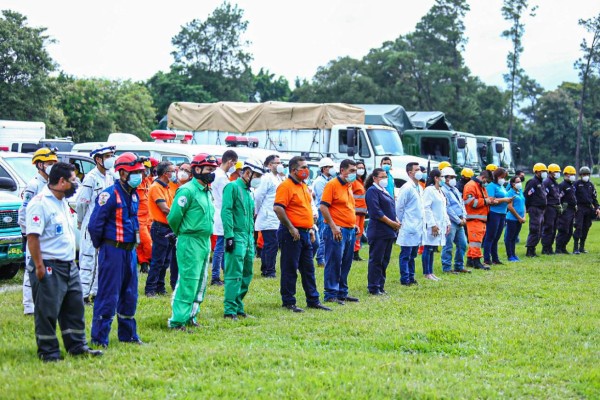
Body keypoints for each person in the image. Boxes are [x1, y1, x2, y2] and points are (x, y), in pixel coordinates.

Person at [25, 162, 102, 361]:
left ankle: (77, 347)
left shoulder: (62, 202)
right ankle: (49, 352)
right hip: (49, 265)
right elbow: (32, 237)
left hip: (69, 265)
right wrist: (39, 266)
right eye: (73, 180)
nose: (76, 184)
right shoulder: (40, 203)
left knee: (74, 308)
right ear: (61, 182)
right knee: (47, 311)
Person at [88, 152, 144, 347]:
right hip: (113, 251)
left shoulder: (134, 194)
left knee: (130, 293)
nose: (139, 176)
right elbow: (95, 225)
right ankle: (99, 338)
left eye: (140, 172)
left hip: (130, 252)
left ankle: (128, 335)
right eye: (134, 172)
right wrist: (102, 246)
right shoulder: (109, 194)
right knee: (108, 294)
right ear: (122, 174)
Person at [274, 156, 331, 312]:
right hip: (292, 233)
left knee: (308, 269)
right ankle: (288, 301)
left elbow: (306, 209)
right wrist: (291, 228)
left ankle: (313, 300)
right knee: (290, 268)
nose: (307, 170)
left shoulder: (303, 186)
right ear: (293, 170)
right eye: (303, 167)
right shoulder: (285, 186)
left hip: (306, 232)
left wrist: (311, 228)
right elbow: (278, 208)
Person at [167, 154, 217, 331]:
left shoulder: (206, 190)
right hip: (190, 240)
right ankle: (178, 320)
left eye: (213, 170)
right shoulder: (187, 190)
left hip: (204, 241)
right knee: (188, 280)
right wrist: (181, 233)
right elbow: (174, 217)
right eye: (209, 169)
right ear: (197, 170)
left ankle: (191, 315)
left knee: (201, 281)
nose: (212, 173)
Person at [221, 159, 264, 320]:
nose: (258, 179)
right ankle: (229, 309)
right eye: (257, 175)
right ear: (247, 173)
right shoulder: (232, 187)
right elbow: (226, 211)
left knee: (247, 272)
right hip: (237, 235)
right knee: (234, 273)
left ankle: (238, 305)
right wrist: (229, 235)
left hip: (247, 237)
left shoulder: (248, 191)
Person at [18, 147, 58, 315]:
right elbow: (23, 212)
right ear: (40, 165)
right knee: (31, 270)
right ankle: (29, 306)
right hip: (33, 234)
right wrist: (28, 234)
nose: (52, 166)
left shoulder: (49, 184)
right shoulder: (34, 185)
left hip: (46, 235)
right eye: (49, 163)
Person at [77, 145, 116, 303]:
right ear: (98, 159)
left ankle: (96, 292)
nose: (110, 158)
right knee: (88, 261)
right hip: (91, 224)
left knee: (102, 261)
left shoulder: (110, 176)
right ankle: (83, 295)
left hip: (105, 224)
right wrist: (80, 221)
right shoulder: (91, 178)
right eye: (107, 156)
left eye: (111, 155)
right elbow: (82, 203)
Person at [320, 159, 360, 305]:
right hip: (337, 230)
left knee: (346, 262)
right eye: (351, 171)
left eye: (355, 171)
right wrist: (333, 226)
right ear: (342, 170)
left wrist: (354, 224)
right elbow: (323, 207)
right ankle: (330, 293)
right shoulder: (332, 185)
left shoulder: (349, 185)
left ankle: (342, 292)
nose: (354, 174)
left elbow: (347, 208)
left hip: (349, 229)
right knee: (334, 262)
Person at [364, 168, 399, 294]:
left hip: (388, 231)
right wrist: (391, 223)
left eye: (386, 177)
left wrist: (396, 220)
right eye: (382, 177)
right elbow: (376, 212)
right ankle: (373, 287)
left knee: (385, 260)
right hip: (379, 231)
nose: (385, 179)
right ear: (374, 178)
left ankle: (380, 285)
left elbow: (390, 209)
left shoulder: (384, 190)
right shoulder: (372, 191)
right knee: (376, 260)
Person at [144, 161, 177, 296]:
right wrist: (178, 215)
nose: (174, 173)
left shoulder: (167, 186)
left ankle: (160, 287)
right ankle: (150, 288)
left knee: (165, 261)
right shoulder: (156, 187)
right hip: (160, 227)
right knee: (158, 260)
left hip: (168, 227)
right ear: (165, 173)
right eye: (172, 171)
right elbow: (164, 208)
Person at [254, 155, 285, 278]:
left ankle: (268, 269)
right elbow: (258, 196)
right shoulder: (266, 178)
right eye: (276, 162)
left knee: (272, 245)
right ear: (269, 165)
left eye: (280, 162)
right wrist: (256, 211)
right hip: (268, 216)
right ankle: (268, 271)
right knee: (270, 245)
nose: (279, 164)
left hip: (275, 217)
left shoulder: (279, 178)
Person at [211, 150, 238, 286]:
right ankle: (215, 276)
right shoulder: (221, 177)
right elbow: (226, 198)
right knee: (220, 247)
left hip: (221, 212)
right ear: (230, 161)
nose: (234, 166)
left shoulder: (220, 175)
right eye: (234, 163)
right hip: (222, 213)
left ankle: (224, 272)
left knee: (223, 246)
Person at [396, 162, 424, 285]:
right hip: (408, 224)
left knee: (413, 254)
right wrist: (401, 221)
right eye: (416, 170)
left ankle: (411, 277)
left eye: (419, 169)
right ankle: (405, 278)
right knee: (406, 254)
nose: (419, 172)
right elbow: (399, 207)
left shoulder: (420, 187)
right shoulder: (407, 188)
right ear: (410, 173)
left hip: (417, 225)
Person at [168, 162, 193, 291]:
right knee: (173, 259)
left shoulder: (191, 189)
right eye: (181, 169)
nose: (182, 172)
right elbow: (173, 215)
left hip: (184, 229)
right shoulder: (171, 185)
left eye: (186, 170)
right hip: (173, 228)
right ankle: (174, 284)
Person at [440, 167, 470, 274]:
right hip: (451, 221)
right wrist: (458, 220)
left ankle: (459, 265)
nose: (453, 179)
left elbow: (461, 204)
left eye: (454, 177)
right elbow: (448, 208)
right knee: (448, 245)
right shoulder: (443, 190)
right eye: (451, 177)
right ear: (445, 178)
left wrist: (464, 217)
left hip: (460, 220)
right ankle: (447, 267)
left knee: (463, 244)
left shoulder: (455, 189)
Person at [421, 169, 450, 281]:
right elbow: (426, 208)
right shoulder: (429, 190)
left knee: (433, 248)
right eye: (442, 177)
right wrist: (432, 224)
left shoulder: (440, 191)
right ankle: (426, 272)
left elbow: (443, 209)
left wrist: (447, 222)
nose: (444, 179)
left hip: (440, 223)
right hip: (432, 224)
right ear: (436, 178)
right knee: (428, 247)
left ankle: (431, 272)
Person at [463, 170, 495, 270]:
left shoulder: (479, 186)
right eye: (487, 181)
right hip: (474, 218)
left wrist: (489, 200)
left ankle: (470, 260)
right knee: (475, 242)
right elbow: (470, 202)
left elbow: (482, 200)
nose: (487, 184)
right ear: (483, 178)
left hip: (479, 218)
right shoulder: (471, 185)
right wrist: (486, 201)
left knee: (474, 242)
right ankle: (476, 262)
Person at [483, 167, 513, 265]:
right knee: (490, 236)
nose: (503, 179)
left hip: (502, 213)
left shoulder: (501, 187)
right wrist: (504, 200)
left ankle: (495, 258)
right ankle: (487, 258)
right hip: (494, 213)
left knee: (496, 237)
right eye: (502, 177)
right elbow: (490, 200)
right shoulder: (491, 186)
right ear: (496, 176)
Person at [311, 157, 336, 269]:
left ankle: (324, 257)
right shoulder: (320, 182)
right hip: (322, 211)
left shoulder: (329, 180)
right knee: (322, 235)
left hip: (328, 210)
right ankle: (320, 258)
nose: (332, 169)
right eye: (330, 167)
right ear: (324, 168)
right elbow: (323, 199)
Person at [137, 157, 158, 274]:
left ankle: (144, 264)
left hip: (149, 218)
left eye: (148, 169)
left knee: (143, 243)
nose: (146, 171)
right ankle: (151, 262)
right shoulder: (134, 183)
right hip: (139, 219)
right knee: (146, 243)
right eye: (145, 169)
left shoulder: (149, 182)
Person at [573, 166, 600, 254]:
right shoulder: (576, 184)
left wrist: (597, 208)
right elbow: (572, 196)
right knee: (579, 227)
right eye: (584, 174)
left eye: (587, 174)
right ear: (580, 175)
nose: (585, 176)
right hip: (579, 208)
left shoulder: (591, 185)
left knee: (586, 227)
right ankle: (575, 248)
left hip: (589, 208)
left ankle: (582, 247)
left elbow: (594, 198)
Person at [524, 163, 548, 257]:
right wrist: (527, 208)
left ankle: (533, 249)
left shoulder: (541, 182)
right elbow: (527, 195)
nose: (545, 173)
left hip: (541, 210)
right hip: (535, 209)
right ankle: (529, 250)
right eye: (543, 171)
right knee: (534, 229)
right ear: (537, 171)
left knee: (539, 230)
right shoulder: (532, 182)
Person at [555, 166, 578, 254]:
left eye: (573, 174)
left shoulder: (571, 185)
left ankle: (563, 248)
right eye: (571, 174)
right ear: (566, 175)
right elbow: (558, 198)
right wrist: (561, 209)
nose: (572, 176)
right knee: (563, 229)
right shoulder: (562, 185)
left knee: (569, 231)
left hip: (572, 210)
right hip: (565, 210)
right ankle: (558, 249)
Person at [541, 164, 562, 255]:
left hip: (555, 207)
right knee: (548, 228)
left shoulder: (555, 182)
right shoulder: (547, 182)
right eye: (556, 172)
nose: (557, 174)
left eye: (558, 172)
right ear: (550, 172)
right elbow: (544, 196)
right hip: (549, 207)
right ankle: (545, 248)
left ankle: (550, 247)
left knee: (554, 228)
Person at [505, 176, 526, 261]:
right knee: (509, 237)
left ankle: (514, 254)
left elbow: (524, 204)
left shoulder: (520, 191)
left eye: (520, 181)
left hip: (520, 219)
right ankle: (510, 255)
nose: (519, 183)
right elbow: (510, 207)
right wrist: (518, 217)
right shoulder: (510, 193)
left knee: (514, 237)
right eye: (517, 182)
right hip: (512, 219)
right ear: (513, 184)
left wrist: (524, 216)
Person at [352, 161, 368, 261]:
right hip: (355, 212)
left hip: (362, 212)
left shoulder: (361, 181)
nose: (361, 169)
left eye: (362, 167)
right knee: (355, 233)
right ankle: (352, 253)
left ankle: (356, 253)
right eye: (359, 167)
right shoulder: (353, 181)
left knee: (359, 233)